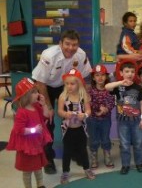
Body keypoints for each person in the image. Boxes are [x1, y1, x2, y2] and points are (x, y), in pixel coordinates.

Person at [32, 29, 92, 174]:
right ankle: (48, 159)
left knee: (75, 118)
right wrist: (47, 106)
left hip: (67, 85)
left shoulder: (81, 54)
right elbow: (40, 83)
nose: (71, 48)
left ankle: (77, 153)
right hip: (46, 87)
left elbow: (84, 78)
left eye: (74, 45)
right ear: (60, 43)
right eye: (67, 44)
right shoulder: (49, 56)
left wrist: (85, 98)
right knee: (48, 122)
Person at [6, 78, 52, 188]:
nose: (37, 94)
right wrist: (34, 130)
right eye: (34, 92)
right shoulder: (22, 112)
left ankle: (40, 185)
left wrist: (44, 104)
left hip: (36, 144)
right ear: (26, 96)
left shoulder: (36, 107)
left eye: (37, 91)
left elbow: (46, 115)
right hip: (27, 147)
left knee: (37, 167)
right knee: (27, 170)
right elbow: (19, 130)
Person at [105, 60, 142, 175]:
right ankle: (125, 165)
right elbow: (107, 87)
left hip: (137, 121)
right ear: (121, 73)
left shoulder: (138, 88)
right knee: (124, 144)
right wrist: (119, 83)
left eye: (132, 72)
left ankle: (139, 163)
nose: (130, 74)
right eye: (127, 71)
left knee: (138, 143)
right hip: (123, 122)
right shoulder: (118, 87)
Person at [57, 69, 95, 184]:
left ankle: (87, 169)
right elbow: (59, 111)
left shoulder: (83, 97)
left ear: (79, 84)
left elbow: (89, 111)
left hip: (81, 129)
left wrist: (85, 115)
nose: (69, 86)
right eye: (67, 84)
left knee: (83, 150)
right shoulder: (63, 97)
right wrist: (65, 114)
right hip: (67, 130)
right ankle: (65, 172)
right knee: (67, 152)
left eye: (72, 83)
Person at [87, 64, 115, 169]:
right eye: (97, 75)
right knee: (93, 139)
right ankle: (94, 158)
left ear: (106, 77)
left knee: (105, 139)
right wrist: (98, 109)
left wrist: (106, 109)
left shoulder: (109, 89)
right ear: (93, 77)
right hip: (92, 119)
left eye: (102, 75)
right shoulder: (90, 91)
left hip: (105, 120)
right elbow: (88, 103)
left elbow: (113, 101)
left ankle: (107, 157)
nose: (100, 77)